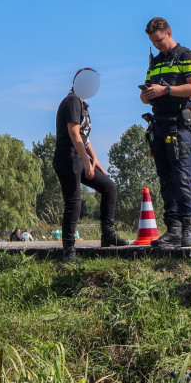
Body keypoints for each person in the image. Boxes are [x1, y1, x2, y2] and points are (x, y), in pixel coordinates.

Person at [53, 67, 130, 261]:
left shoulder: (83, 105)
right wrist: (86, 160)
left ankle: (107, 235)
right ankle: (69, 250)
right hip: (67, 158)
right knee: (74, 203)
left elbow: (85, 137)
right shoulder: (71, 101)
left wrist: (94, 159)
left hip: (80, 157)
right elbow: (74, 133)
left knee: (109, 188)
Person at [139, 17, 191, 247]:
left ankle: (187, 228)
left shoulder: (187, 56)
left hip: (179, 126)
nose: (158, 45)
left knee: (182, 177)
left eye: (160, 40)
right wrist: (146, 95)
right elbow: (144, 96)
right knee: (165, 179)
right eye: (153, 42)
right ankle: (172, 227)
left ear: (169, 33)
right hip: (158, 125)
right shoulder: (154, 62)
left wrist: (165, 89)